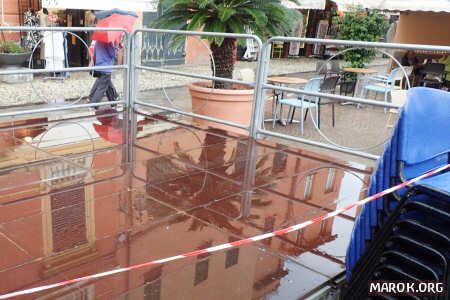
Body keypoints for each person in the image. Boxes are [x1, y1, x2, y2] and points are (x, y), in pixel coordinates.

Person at [89, 41, 119, 110]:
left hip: (98, 68)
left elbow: (94, 54)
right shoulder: (108, 43)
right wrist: (116, 47)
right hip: (106, 68)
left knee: (108, 86)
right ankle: (93, 105)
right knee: (101, 88)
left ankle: (114, 103)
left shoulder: (97, 42)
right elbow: (113, 54)